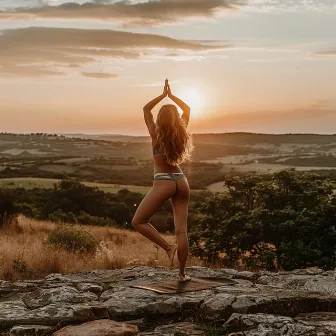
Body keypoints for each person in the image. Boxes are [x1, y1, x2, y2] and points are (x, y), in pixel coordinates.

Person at [132, 79, 194, 282]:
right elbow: (187, 108)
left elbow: (146, 109)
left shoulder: (155, 133)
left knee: (138, 221)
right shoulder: (181, 132)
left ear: (160, 118)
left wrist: (163, 95)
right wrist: (172, 96)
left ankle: (168, 248)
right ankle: (182, 275)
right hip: (181, 179)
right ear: (176, 118)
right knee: (182, 231)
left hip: (163, 181)